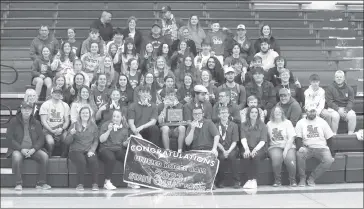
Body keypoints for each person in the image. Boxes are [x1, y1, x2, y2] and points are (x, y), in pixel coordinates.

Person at [6, 101, 51, 191]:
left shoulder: (36, 122)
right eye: (24, 109)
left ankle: (41, 183)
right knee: (16, 157)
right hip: (18, 149)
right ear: (21, 110)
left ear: (31, 111)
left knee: (44, 156)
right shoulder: (13, 122)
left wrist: (34, 149)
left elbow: (41, 139)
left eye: (29, 109)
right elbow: (9, 139)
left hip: (33, 149)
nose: (27, 111)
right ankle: (18, 183)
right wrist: (21, 149)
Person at [99, 109, 140, 189]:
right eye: (114, 116)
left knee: (129, 157)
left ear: (121, 118)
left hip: (118, 149)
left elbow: (123, 144)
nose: (115, 118)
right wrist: (108, 130)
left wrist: (127, 141)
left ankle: (130, 181)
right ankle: (107, 182)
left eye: (117, 117)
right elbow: (101, 140)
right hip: (105, 148)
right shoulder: (106, 125)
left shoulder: (124, 128)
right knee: (111, 158)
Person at [295, 105, 335, 187]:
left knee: (329, 160)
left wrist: (332, 153)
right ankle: (302, 178)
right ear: (306, 111)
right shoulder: (300, 123)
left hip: (322, 147)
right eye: (310, 111)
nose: (312, 113)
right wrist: (300, 147)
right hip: (307, 147)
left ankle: (312, 178)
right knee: (299, 154)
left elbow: (330, 138)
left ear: (316, 112)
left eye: (313, 111)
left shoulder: (322, 122)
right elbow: (298, 137)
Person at [64, 106, 99, 191]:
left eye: (87, 113)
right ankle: (80, 184)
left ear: (90, 114)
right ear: (79, 114)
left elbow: (96, 140)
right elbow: (67, 142)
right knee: (81, 161)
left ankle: (95, 184)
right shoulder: (74, 125)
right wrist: (71, 134)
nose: (85, 114)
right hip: (75, 150)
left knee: (93, 160)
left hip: (88, 150)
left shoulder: (93, 126)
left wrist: (92, 150)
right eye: (83, 113)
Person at [267, 106, 297, 187]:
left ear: (282, 113)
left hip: (288, 146)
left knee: (290, 160)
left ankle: (292, 180)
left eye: (279, 112)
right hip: (274, 146)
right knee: (276, 159)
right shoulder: (269, 124)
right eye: (275, 112)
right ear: (272, 113)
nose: (277, 113)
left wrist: (286, 150)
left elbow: (291, 138)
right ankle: (277, 180)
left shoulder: (287, 122)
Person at [241, 106, 267, 189]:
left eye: (256, 112)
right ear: (248, 114)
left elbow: (263, 140)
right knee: (247, 156)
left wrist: (255, 149)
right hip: (247, 147)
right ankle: (249, 180)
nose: (254, 114)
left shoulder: (262, 125)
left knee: (255, 156)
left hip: (259, 148)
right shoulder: (243, 124)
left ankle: (254, 180)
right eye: (252, 112)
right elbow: (243, 138)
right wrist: (247, 149)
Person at [39, 87, 70, 157]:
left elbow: (67, 121)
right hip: (48, 129)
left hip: (60, 128)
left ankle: (63, 157)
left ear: (61, 94)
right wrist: (51, 130)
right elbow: (43, 121)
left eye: (59, 93)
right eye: (55, 92)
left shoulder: (65, 105)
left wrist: (62, 129)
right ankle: (49, 155)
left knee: (67, 140)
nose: (57, 94)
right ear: (52, 94)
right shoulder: (45, 104)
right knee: (50, 143)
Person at [215, 107, 240, 189]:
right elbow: (216, 141)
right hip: (220, 148)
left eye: (226, 112)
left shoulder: (234, 125)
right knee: (221, 158)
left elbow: (235, 141)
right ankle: (220, 181)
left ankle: (236, 181)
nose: (224, 114)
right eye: (222, 113)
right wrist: (223, 150)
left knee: (232, 157)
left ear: (229, 114)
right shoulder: (215, 126)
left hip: (232, 148)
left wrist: (228, 151)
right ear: (219, 115)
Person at [325, 70, 356, 134]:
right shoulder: (330, 88)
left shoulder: (349, 88)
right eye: (337, 77)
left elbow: (351, 101)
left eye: (340, 77)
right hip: (334, 109)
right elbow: (329, 102)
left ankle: (350, 135)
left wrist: (346, 110)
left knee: (352, 115)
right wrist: (338, 109)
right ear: (334, 78)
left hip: (345, 108)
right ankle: (334, 134)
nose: (339, 79)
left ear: (344, 78)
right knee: (335, 116)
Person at [158, 88, 186, 153]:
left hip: (176, 128)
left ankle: (180, 151)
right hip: (166, 128)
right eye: (168, 95)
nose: (170, 97)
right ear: (165, 97)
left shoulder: (180, 106)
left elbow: (184, 120)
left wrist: (181, 121)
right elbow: (160, 121)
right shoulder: (160, 106)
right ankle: (167, 151)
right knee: (165, 128)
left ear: (175, 96)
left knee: (182, 128)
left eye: (172, 95)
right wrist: (165, 107)